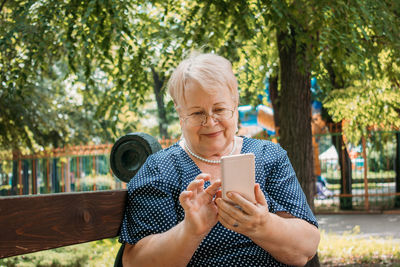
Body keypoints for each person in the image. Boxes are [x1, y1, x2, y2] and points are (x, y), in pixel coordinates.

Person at [119, 53, 320, 266]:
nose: (210, 122)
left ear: (235, 104)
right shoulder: (161, 169)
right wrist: (190, 231)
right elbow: (134, 261)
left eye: (220, 109)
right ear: (180, 114)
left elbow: (306, 249)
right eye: (197, 113)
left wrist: (262, 225)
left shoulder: (268, 156)